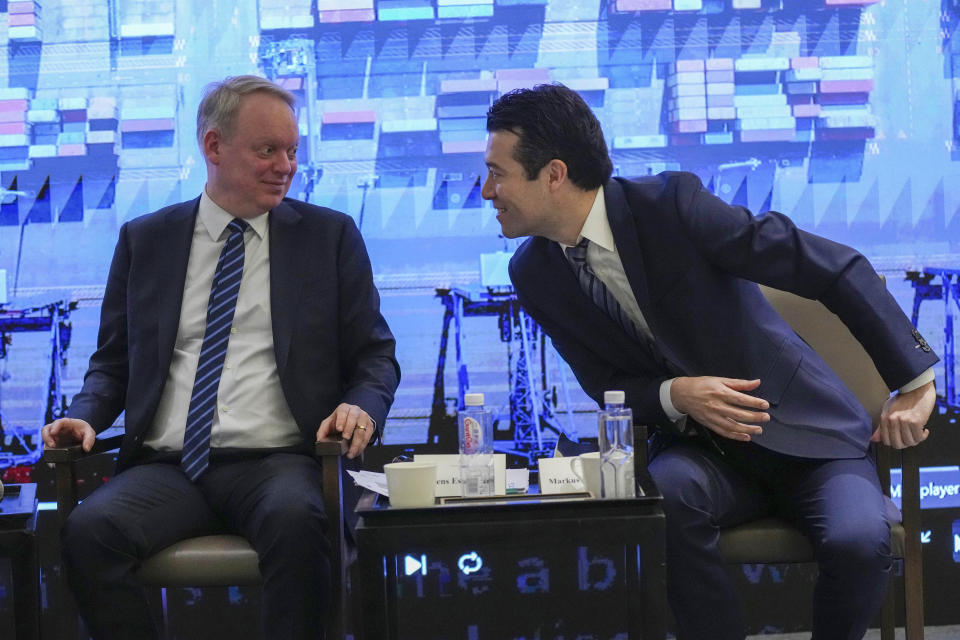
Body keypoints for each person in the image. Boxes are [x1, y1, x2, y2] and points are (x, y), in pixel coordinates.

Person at [482, 83, 938, 640]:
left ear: (553, 174)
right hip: (702, 455)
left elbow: (829, 267)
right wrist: (678, 393)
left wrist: (915, 380)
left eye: (497, 173)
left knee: (857, 541)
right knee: (665, 498)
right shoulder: (534, 274)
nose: (486, 191)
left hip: (809, 438)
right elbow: (606, 384)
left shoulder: (670, 206)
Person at [41, 75, 400, 640]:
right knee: (90, 530)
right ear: (213, 147)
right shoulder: (146, 240)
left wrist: (361, 406)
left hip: (279, 461)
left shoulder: (328, 237)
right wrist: (85, 414)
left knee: (299, 521)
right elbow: (112, 364)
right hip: (170, 466)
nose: (285, 165)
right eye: (267, 150)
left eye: (292, 151)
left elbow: (375, 355)